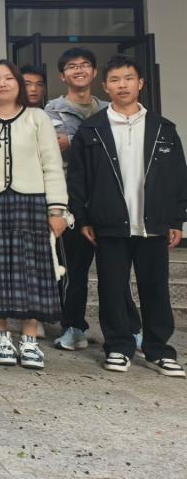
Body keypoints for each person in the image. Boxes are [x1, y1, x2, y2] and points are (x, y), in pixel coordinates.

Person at [67, 55, 186, 377]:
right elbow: (78, 179)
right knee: (112, 288)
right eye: (116, 80)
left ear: (140, 83)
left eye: (129, 78)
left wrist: (177, 220)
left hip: (153, 223)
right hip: (108, 224)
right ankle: (118, 347)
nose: (123, 85)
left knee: (156, 289)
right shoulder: (92, 129)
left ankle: (159, 350)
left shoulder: (163, 129)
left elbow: (178, 177)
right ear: (105, 86)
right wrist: (83, 217)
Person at [0, 60, 68, 369]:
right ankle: (1, 337)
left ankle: (30, 340)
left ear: (18, 84)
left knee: (30, 272)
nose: (2, 84)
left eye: (8, 78)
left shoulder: (37, 118)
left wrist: (57, 209)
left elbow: (52, 164)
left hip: (31, 203)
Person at [45, 47, 141, 353]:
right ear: (63, 76)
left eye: (84, 65)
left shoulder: (110, 107)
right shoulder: (52, 110)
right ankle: (73, 327)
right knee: (74, 269)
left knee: (118, 270)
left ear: (95, 73)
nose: (79, 70)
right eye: (71, 66)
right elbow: (52, 148)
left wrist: (72, 140)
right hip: (71, 198)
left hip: (111, 197)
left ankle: (132, 328)